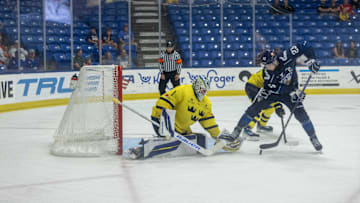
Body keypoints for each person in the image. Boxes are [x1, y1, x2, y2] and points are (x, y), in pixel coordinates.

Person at [226, 42, 323, 152]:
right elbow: (275, 89)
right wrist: (293, 93)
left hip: (289, 91)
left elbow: (305, 45)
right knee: (254, 108)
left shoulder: (287, 55)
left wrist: (312, 60)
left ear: (274, 61)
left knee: (301, 114)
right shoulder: (267, 73)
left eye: (268, 65)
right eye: (265, 65)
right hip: (273, 92)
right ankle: (237, 130)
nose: (267, 67)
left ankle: (313, 138)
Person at [125, 76, 241, 159]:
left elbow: (209, 122)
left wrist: (219, 137)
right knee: (172, 142)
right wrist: (165, 123)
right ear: (196, 86)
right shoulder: (183, 90)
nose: (203, 92)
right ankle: (141, 150)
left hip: (181, 128)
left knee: (200, 139)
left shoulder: (206, 103)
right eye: (201, 89)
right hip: (162, 120)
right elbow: (164, 101)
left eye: (205, 90)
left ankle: (169, 139)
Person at [242, 68, 285, 141]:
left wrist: (278, 106)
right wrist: (278, 106)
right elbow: (271, 94)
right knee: (259, 106)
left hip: (261, 88)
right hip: (253, 87)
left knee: (270, 108)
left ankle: (261, 125)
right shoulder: (274, 74)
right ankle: (247, 128)